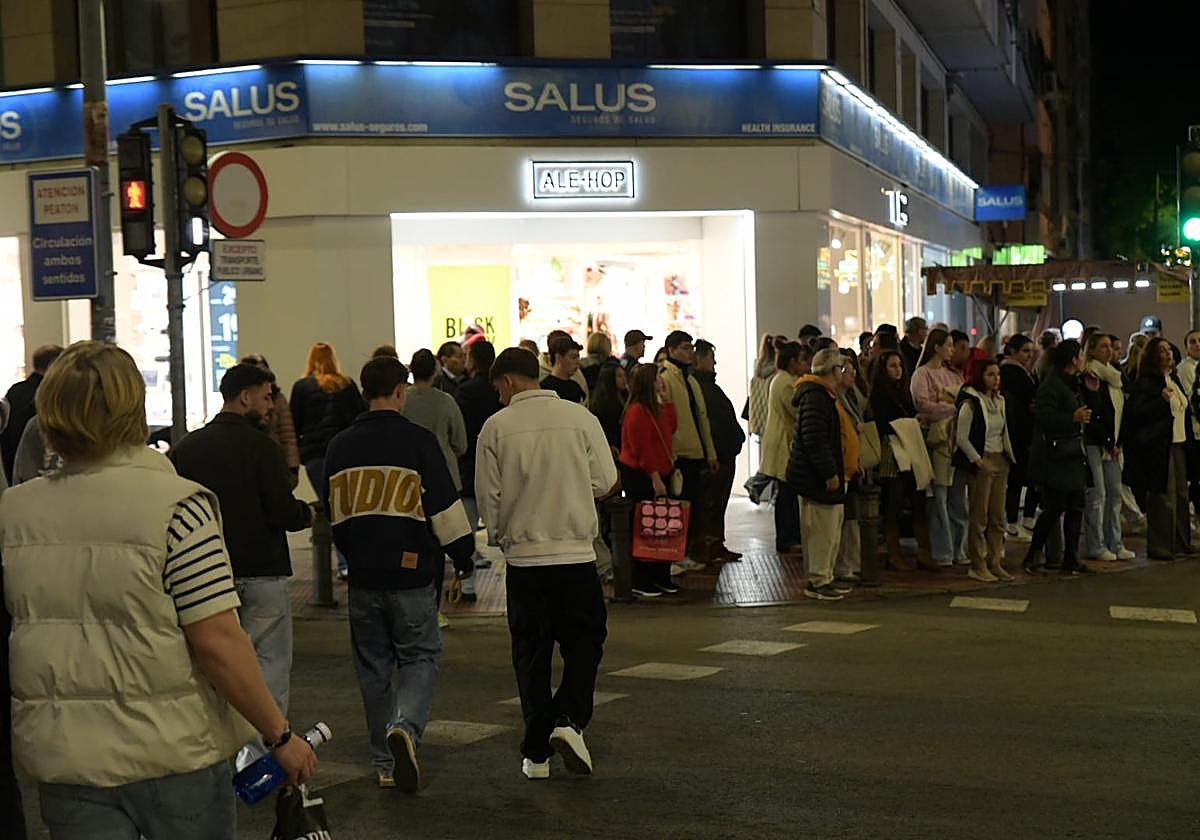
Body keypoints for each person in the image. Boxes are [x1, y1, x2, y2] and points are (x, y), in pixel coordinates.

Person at [0, 341, 315, 838]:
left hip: (66, 758)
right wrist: (279, 734)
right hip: (172, 754)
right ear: (133, 409)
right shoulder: (178, 507)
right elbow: (217, 640)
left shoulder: (13, 513)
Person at [325, 356, 475, 791]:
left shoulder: (339, 447)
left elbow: (338, 519)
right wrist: (463, 557)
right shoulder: (418, 442)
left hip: (363, 575)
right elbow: (444, 508)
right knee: (420, 655)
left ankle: (384, 764)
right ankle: (405, 729)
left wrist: (353, 555)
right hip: (411, 573)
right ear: (399, 391)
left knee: (373, 667)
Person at [475, 348, 618, 781]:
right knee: (585, 642)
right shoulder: (580, 419)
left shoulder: (495, 429)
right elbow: (607, 480)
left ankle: (536, 755)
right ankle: (569, 719)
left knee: (531, 655)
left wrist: (502, 538)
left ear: (506, 382)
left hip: (525, 561)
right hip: (575, 555)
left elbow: (489, 499)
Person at [170, 363, 317, 768]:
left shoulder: (187, 449)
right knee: (268, 663)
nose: (271, 405)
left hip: (204, 574)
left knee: (210, 664)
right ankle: (261, 754)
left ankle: (217, 751)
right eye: (267, 396)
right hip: (263, 570)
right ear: (245, 397)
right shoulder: (262, 448)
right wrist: (308, 515)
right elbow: (282, 512)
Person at [291, 341, 367, 580]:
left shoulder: (302, 387)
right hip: (346, 452)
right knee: (349, 505)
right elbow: (358, 416)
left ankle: (344, 562)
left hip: (315, 455)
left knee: (331, 506)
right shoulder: (347, 384)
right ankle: (356, 559)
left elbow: (295, 422)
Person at [404, 348, 470, 605]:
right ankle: (434, 607)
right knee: (440, 542)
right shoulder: (446, 402)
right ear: (435, 371)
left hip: (408, 480)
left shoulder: (403, 401)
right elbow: (461, 443)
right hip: (443, 478)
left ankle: (415, 600)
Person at [1024, 339, 1095, 576]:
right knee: (1055, 507)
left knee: (1076, 506)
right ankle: (1033, 553)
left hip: (1072, 454)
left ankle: (1071, 557)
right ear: (1073, 360)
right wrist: (1071, 417)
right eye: (1081, 356)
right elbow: (1043, 418)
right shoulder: (1052, 385)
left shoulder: (1072, 383)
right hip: (1055, 456)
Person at [787, 348, 853, 601]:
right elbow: (814, 439)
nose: (843, 373)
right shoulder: (815, 397)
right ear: (833, 371)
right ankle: (818, 580)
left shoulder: (823, 395)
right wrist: (829, 472)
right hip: (817, 478)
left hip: (825, 474)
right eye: (840, 368)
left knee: (830, 531)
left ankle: (825, 577)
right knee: (821, 533)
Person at [1124, 337, 1193, 561]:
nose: (1168, 354)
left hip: (1178, 443)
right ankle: (1161, 544)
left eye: (1169, 350)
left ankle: (1182, 541)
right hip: (1158, 445)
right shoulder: (1147, 382)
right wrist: (1160, 401)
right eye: (1162, 351)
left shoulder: (1172, 379)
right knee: (1163, 496)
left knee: (1182, 494)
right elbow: (1137, 414)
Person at [869, 350, 935, 571]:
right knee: (894, 502)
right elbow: (883, 424)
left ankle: (924, 551)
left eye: (899, 365)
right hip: (893, 450)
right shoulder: (879, 394)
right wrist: (908, 422)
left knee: (918, 499)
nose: (898, 370)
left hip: (910, 447)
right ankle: (893, 553)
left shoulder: (904, 392)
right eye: (892, 366)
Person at [659, 330, 719, 571]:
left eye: (691, 348)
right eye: (685, 347)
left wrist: (710, 451)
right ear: (672, 350)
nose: (690, 352)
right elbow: (666, 419)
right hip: (679, 453)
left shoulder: (690, 379)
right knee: (677, 505)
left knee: (691, 505)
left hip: (695, 451)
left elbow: (701, 419)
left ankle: (684, 552)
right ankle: (674, 555)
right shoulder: (666, 377)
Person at [618, 363, 679, 598]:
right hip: (643, 476)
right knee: (647, 528)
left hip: (658, 472)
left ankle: (660, 576)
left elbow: (670, 429)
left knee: (661, 527)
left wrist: (668, 401)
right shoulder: (636, 411)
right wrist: (655, 477)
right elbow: (642, 448)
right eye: (657, 378)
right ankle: (642, 579)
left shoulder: (654, 408)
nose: (661, 381)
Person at [954, 359, 1016, 582]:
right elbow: (961, 436)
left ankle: (994, 560)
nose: (996, 379)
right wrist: (978, 460)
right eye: (990, 374)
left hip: (1001, 459)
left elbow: (1004, 431)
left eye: (997, 375)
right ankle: (977, 563)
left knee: (998, 515)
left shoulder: (1000, 400)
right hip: (983, 459)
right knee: (979, 515)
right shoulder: (971, 402)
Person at [911, 329, 967, 566]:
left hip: (954, 437)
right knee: (939, 495)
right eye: (949, 345)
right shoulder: (921, 375)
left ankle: (958, 547)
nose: (952, 350)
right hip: (935, 438)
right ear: (937, 347)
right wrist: (950, 408)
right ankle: (942, 549)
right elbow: (922, 404)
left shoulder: (954, 375)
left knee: (957, 496)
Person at [1081, 333, 1135, 562]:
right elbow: (1094, 415)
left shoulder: (1115, 377)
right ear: (1091, 350)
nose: (1109, 351)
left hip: (1114, 444)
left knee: (1114, 494)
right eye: (1103, 347)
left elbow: (1122, 412)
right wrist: (1108, 442)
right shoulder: (1090, 375)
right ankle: (1096, 544)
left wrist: (1118, 442)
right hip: (1095, 443)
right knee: (1097, 495)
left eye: (1111, 347)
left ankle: (1115, 542)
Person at [693, 339, 746, 563]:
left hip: (724, 453)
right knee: (711, 504)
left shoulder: (705, 386)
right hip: (717, 455)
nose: (714, 362)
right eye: (710, 357)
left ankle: (715, 544)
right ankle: (708, 546)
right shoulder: (699, 387)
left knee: (717, 504)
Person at [457, 340, 503, 571]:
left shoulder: (465, 391)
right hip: (501, 461)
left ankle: (467, 584)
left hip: (470, 463)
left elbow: (460, 432)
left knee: (468, 524)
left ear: (472, 360)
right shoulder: (499, 389)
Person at [762, 342, 810, 554]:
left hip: (783, 441)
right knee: (786, 495)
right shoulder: (785, 383)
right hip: (784, 442)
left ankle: (790, 536)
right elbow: (796, 411)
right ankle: (787, 539)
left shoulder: (783, 379)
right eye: (801, 360)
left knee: (787, 494)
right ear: (792, 362)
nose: (804, 364)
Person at [1, 344, 62, 483]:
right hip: (40, 469)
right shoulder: (52, 393)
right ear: (53, 365)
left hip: (12, 465)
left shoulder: (15, 390)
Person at [241, 353, 301, 487]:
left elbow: (288, 434)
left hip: (275, 458)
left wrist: (292, 466)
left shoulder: (278, 398)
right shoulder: (240, 405)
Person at [1000, 335, 1038, 538]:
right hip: (1020, 433)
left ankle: (1019, 521)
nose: (1029, 356)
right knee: (1018, 479)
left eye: (1031, 351)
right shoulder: (1013, 373)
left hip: (1021, 432)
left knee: (1022, 478)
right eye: (1025, 351)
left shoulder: (1022, 372)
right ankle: (1014, 523)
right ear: (1012, 351)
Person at [834, 350, 865, 586]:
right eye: (846, 370)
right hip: (841, 465)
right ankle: (842, 565)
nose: (852, 374)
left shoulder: (851, 396)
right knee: (842, 519)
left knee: (852, 517)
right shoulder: (834, 399)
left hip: (852, 464)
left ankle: (852, 563)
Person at [589, 360, 628, 456]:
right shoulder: (603, 403)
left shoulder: (625, 395)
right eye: (619, 376)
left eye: (624, 375)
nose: (624, 379)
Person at [539, 329, 591, 399]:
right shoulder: (545, 389)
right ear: (559, 358)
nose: (578, 362)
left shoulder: (576, 386)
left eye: (578, 357)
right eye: (573, 357)